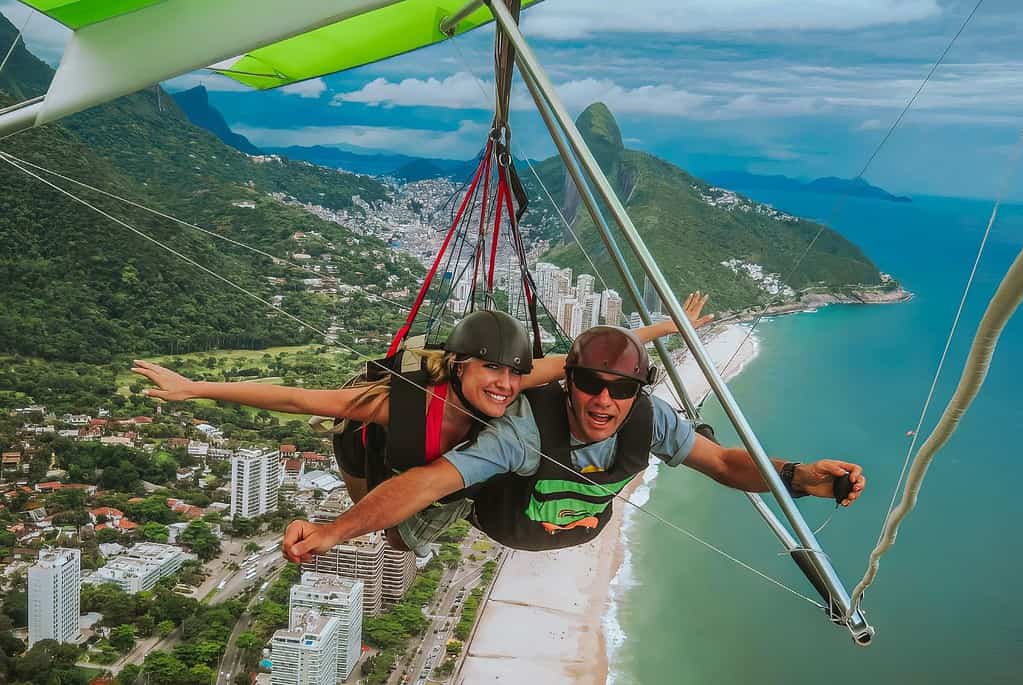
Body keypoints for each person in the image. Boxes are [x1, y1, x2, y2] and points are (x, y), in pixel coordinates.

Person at [133, 294, 713, 551]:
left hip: (462, 478)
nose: (506, 386)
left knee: (492, 478)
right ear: (461, 365)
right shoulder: (408, 404)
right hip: (405, 472)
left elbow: (600, 358)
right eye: (492, 371)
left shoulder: (524, 381)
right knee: (399, 535)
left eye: (514, 374)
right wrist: (195, 389)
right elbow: (297, 400)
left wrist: (671, 328)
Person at [282, 325, 865, 561]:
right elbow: (429, 480)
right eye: (589, 384)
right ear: (569, 383)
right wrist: (334, 531)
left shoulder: (650, 418)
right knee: (406, 533)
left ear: (638, 392)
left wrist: (800, 477)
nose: (604, 401)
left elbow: (722, 462)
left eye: (621, 390)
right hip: (507, 519)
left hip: (577, 528)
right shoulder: (526, 429)